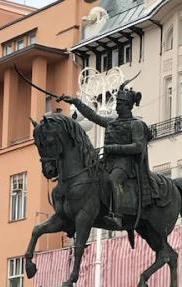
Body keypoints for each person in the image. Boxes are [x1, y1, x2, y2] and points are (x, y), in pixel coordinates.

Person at [62, 78, 157, 231]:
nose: (117, 106)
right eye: (117, 103)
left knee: (114, 179)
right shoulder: (112, 123)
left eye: (119, 104)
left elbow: (138, 146)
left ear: (127, 106)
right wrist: (76, 102)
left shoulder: (136, 124)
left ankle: (117, 216)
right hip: (108, 161)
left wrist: (115, 148)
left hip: (126, 164)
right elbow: (93, 116)